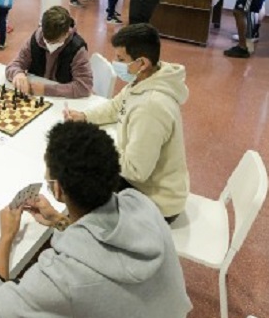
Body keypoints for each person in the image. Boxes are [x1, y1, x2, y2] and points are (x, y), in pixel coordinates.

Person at [0, 121, 192, 318]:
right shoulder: (142, 204)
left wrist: (6, 238)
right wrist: (60, 221)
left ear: (57, 189)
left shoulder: (63, 276)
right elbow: (107, 245)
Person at [63, 23, 189, 221]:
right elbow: (115, 107)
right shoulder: (145, 78)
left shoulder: (151, 106)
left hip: (156, 201)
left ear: (142, 63)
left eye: (121, 59)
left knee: (80, 179)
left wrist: (98, 148)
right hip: (141, 181)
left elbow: (136, 170)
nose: (116, 63)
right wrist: (85, 117)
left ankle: (81, 237)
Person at [5, 5, 93, 98]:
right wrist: (18, 74)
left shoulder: (77, 49)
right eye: (46, 40)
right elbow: (14, 65)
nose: (49, 45)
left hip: (63, 101)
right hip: (35, 98)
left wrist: (47, 90)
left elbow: (84, 87)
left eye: (55, 42)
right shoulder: (36, 38)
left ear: (67, 33)